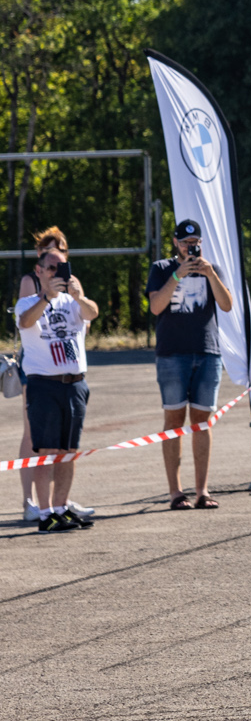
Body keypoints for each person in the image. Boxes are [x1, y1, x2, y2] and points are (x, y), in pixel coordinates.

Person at [15, 226, 100, 533]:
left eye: (61, 267)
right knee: (45, 452)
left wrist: (78, 295)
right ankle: (45, 512)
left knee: (67, 451)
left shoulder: (72, 301)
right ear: (38, 270)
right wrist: (46, 296)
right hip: (44, 384)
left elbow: (92, 313)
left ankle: (62, 507)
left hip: (75, 382)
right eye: (51, 268)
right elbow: (25, 321)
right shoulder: (28, 302)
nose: (56, 272)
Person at [146, 219, 235, 509]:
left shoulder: (212, 269)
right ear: (175, 243)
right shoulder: (161, 269)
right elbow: (156, 306)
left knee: (202, 422)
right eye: (185, 242)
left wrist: (209, 273)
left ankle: (202, 491)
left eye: (194, 242)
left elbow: (227, 304)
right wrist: (177, 275)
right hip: (172, 355)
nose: (190, 247)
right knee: (173, 421)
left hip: (207, 353)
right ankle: (175, 492)